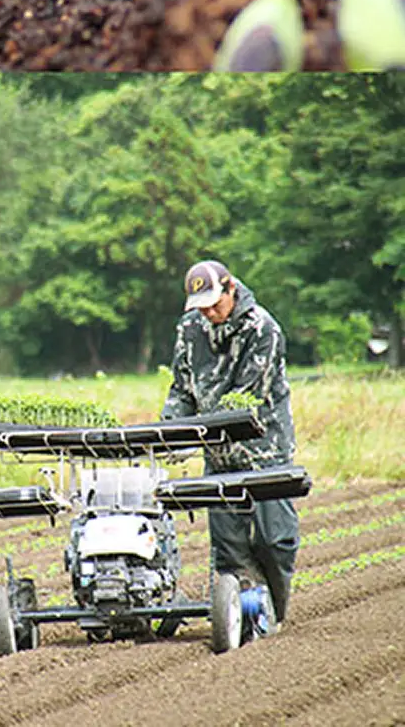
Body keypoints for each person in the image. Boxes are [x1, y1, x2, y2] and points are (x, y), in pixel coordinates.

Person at [161, 259, 300, 636]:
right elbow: (183, 388)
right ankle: (245, 618)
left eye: (214, 303)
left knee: (275, 539)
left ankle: (274, 608)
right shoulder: (190, 328)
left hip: (263, 450)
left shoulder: (263, 329)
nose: (208, 312)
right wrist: (171, 428)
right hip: (219, 455)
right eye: (201, 306)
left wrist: (199, 429)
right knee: (229, 546)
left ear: (231, 290)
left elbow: (244, 400)